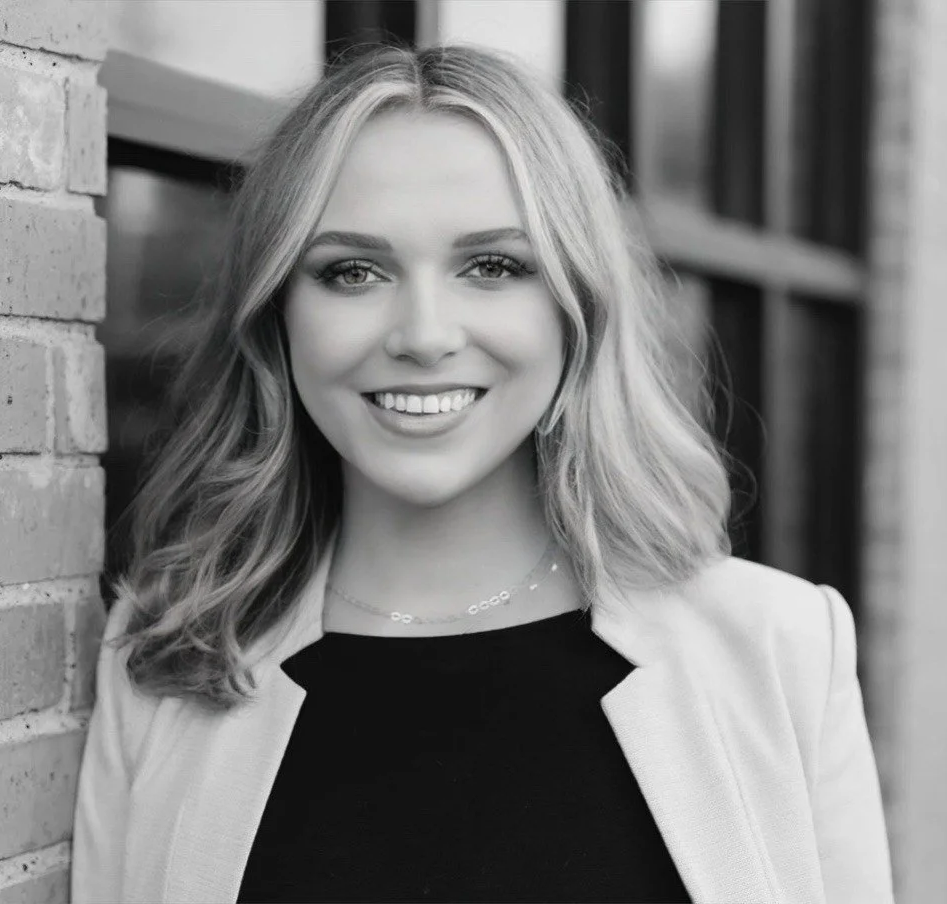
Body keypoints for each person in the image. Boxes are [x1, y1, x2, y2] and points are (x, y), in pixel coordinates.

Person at [71, 43, 894, 904]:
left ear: (576, 306)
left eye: (492, 266)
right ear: (278, 313)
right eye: (352, 271)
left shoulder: (777, 646)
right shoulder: (167, 661)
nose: (424, 335)